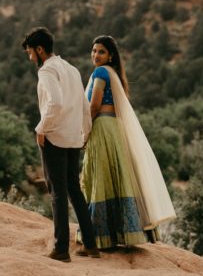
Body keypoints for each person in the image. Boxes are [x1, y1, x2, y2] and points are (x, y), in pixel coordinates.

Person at [80, 35, 176, 249]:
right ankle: (122, 233)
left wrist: (83, 134)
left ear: (111, 55)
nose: (96, 55)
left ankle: (100, 237)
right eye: (94, 51)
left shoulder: (100, 72)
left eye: (101, 52)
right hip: (114, 129)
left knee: (101, 179)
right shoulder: (114, 74)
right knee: (117, 177)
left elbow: (94, 106)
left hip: (103, 128)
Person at [22, 27, 100, 262]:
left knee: (57, 193)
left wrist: (41, 128)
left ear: (39, 50)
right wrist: (84, 133)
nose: (30, 58)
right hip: (73, 136)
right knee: (74, 190)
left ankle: (61, 249)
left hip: (54, 135)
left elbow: (54, 103)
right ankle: (91, 244)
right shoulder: (72, 69)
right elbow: (84, 105)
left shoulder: (46, 70)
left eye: (30, 53)